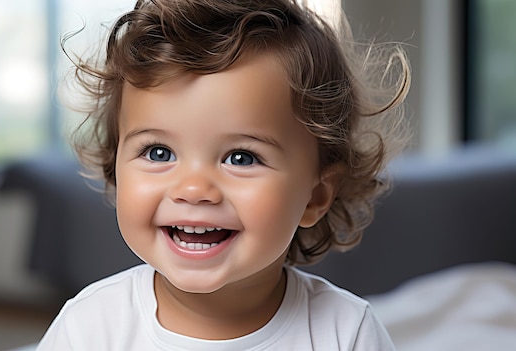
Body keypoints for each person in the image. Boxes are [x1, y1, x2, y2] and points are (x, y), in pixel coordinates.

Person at [37, 0, 410, 349]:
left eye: (241, 158)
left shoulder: (345, 332)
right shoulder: (90, 328)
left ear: (316, 196)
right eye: (159, 152)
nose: (194, 189)